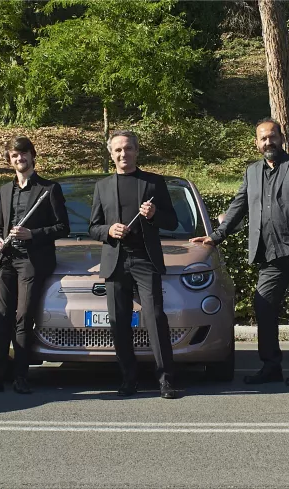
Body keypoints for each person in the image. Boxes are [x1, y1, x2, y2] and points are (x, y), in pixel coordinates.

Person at [190, 118, 289, 386]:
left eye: (272, 137)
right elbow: (237, 207)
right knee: (263, 307)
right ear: (256, 143)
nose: (268, 142)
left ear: (281, 138)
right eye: (263, 138)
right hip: (270, 253)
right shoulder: (252, 172)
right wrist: (215, 237)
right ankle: (271, 366)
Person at [0, 136, 69, 395]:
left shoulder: (49, 189)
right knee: (1, 319)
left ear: (32, 156)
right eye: (14, 156)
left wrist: (33, 234)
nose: (19, 159)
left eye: (24, 154)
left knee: (23, 318)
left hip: (32, 260)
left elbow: (63, 227)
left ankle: (21, 377)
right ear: (10, 160)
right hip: (6, 260)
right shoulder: (5, 190)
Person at [89, 130, 179, 399]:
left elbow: (172, 222)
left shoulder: (153, 183)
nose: (122, 154)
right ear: (111, 154)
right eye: (117, 150)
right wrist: (108, 231)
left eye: (127, 149)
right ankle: (129, 379)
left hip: (145, 260)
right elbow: (92, 227)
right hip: (115, 262)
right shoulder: (102, 186)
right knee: (119, 323)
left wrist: (153, 215)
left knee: (155, 319)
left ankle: (166, 380)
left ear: (136, 151)